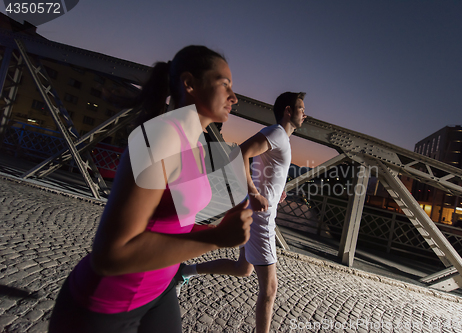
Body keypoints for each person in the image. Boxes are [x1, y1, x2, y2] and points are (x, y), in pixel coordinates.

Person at [48, 45, 253, 333]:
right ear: (189, 83)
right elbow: (111, 255)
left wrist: (220, 231)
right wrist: (217, 239)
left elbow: (171, 227)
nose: (234, 97)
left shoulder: (195, 144)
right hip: (108, 305)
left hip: (159, 291)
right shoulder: (161, 137)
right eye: (225, 84)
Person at [178, 92, 307, 333]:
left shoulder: (282, 139)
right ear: (288, 110)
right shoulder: (277, 132)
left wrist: (275, 191)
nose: (305, 113)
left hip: (258, 213)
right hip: (260, 219)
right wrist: (254, 193)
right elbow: (239, 154)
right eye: (301, 108)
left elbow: (263, 168)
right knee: (269, 290)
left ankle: (185, 271)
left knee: (243, 269)